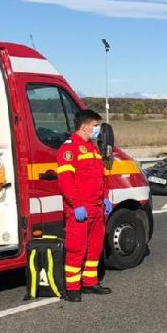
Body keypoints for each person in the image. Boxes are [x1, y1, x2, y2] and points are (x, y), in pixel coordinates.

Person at [56, 109, 113, 302]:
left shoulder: (92, 148)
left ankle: (90, 282)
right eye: (95, 125)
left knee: (95, 246)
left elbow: (99, 177)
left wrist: (105, 197)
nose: (97, 129)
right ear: (84, 126)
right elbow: (66, 180)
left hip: (97, 207)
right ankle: (72, 288)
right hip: (80, 208)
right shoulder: (70, 148)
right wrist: (76, 204)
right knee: (76, 248)